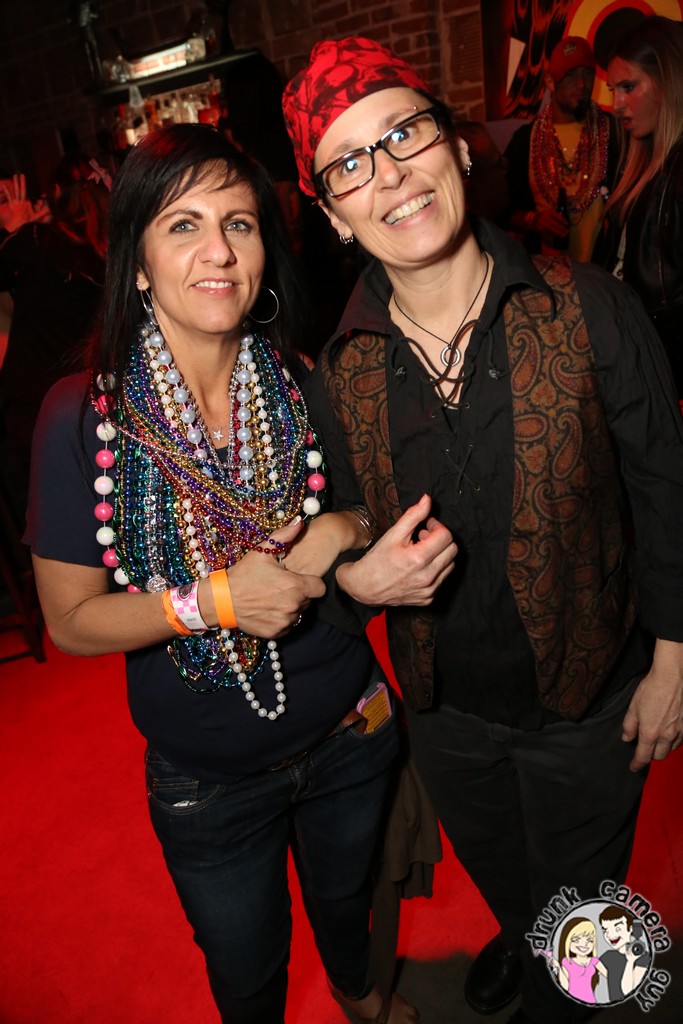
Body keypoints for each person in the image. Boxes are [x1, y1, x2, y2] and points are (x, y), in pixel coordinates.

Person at [281, 35, 683, 1024]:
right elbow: (335, 534)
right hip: (449, 720)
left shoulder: (590, 310)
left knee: (582, 938)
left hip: (589, 706)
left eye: (402, 134)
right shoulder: (339, 374)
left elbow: (664, 484)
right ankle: (521, 931)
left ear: (455, 145)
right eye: (348, 163)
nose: (388, 174)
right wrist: (351, 579)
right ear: (330, 212)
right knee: (513, 885)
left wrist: (675, 656)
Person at [24, 123, 444, 1024]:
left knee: (347, 901)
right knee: (246, 967)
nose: (218, 251)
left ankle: (359, 991)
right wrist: (215, 599)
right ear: (137, 262)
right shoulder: (82, 417)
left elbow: (370, 506)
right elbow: (70, 622)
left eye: (239, 224)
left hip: (349, 730)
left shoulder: (300, 380)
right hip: (208, 778)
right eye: (182, 225)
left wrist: (339, 527)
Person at [0, 154, 109, 525]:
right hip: (97, 408)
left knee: (57, 528)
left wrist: (15, 229)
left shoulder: (35, 244)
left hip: (37, 415)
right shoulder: (116, 257)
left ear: (56, 193)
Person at [601, 15, 683, 398]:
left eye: (629, 87)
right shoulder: (639, 165)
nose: (616, 104)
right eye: (613, 89)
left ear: (669, 81)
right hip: (639, 364)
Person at [503, 36, 618, 261]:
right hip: (548, 271)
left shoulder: (613, 132)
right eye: (571, 75)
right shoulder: (525, 140)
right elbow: (501, 208)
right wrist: (533, 220)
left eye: (588, 73)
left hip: (601, 271)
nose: (582, 84)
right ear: (550, 80)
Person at [598, 907, 651, 1002]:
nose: (610, 935)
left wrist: (630, 961)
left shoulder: (642, 957)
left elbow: (627, 991)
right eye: (605, 930)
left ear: (630, 929)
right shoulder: (608, 956)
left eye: (617, 928)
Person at [549, 918, 606, 1004]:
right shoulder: (566, 962)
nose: (584, 944)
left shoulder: (594, 961)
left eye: (590, 940)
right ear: (567, 941)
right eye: (576, 940)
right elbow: (566, 986)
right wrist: (558, 968)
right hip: (572, 1002)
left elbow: (610, 976)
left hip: (590, 1001)